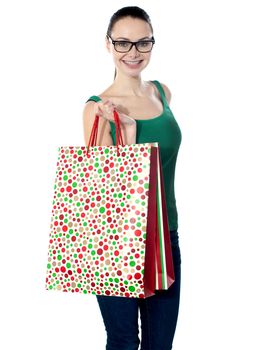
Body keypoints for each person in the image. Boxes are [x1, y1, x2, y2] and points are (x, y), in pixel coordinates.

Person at [83, 6, 182, 350]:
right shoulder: (98, 106)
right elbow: (105, 191)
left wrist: (134, 128)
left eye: (143, 43)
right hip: (116, 240)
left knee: (160, 343)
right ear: (108, 45)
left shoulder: (162, 92)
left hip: (165, 236)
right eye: (123, 43)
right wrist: (121, 131)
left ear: (152, 45)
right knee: (124, 341)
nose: (133, 52)